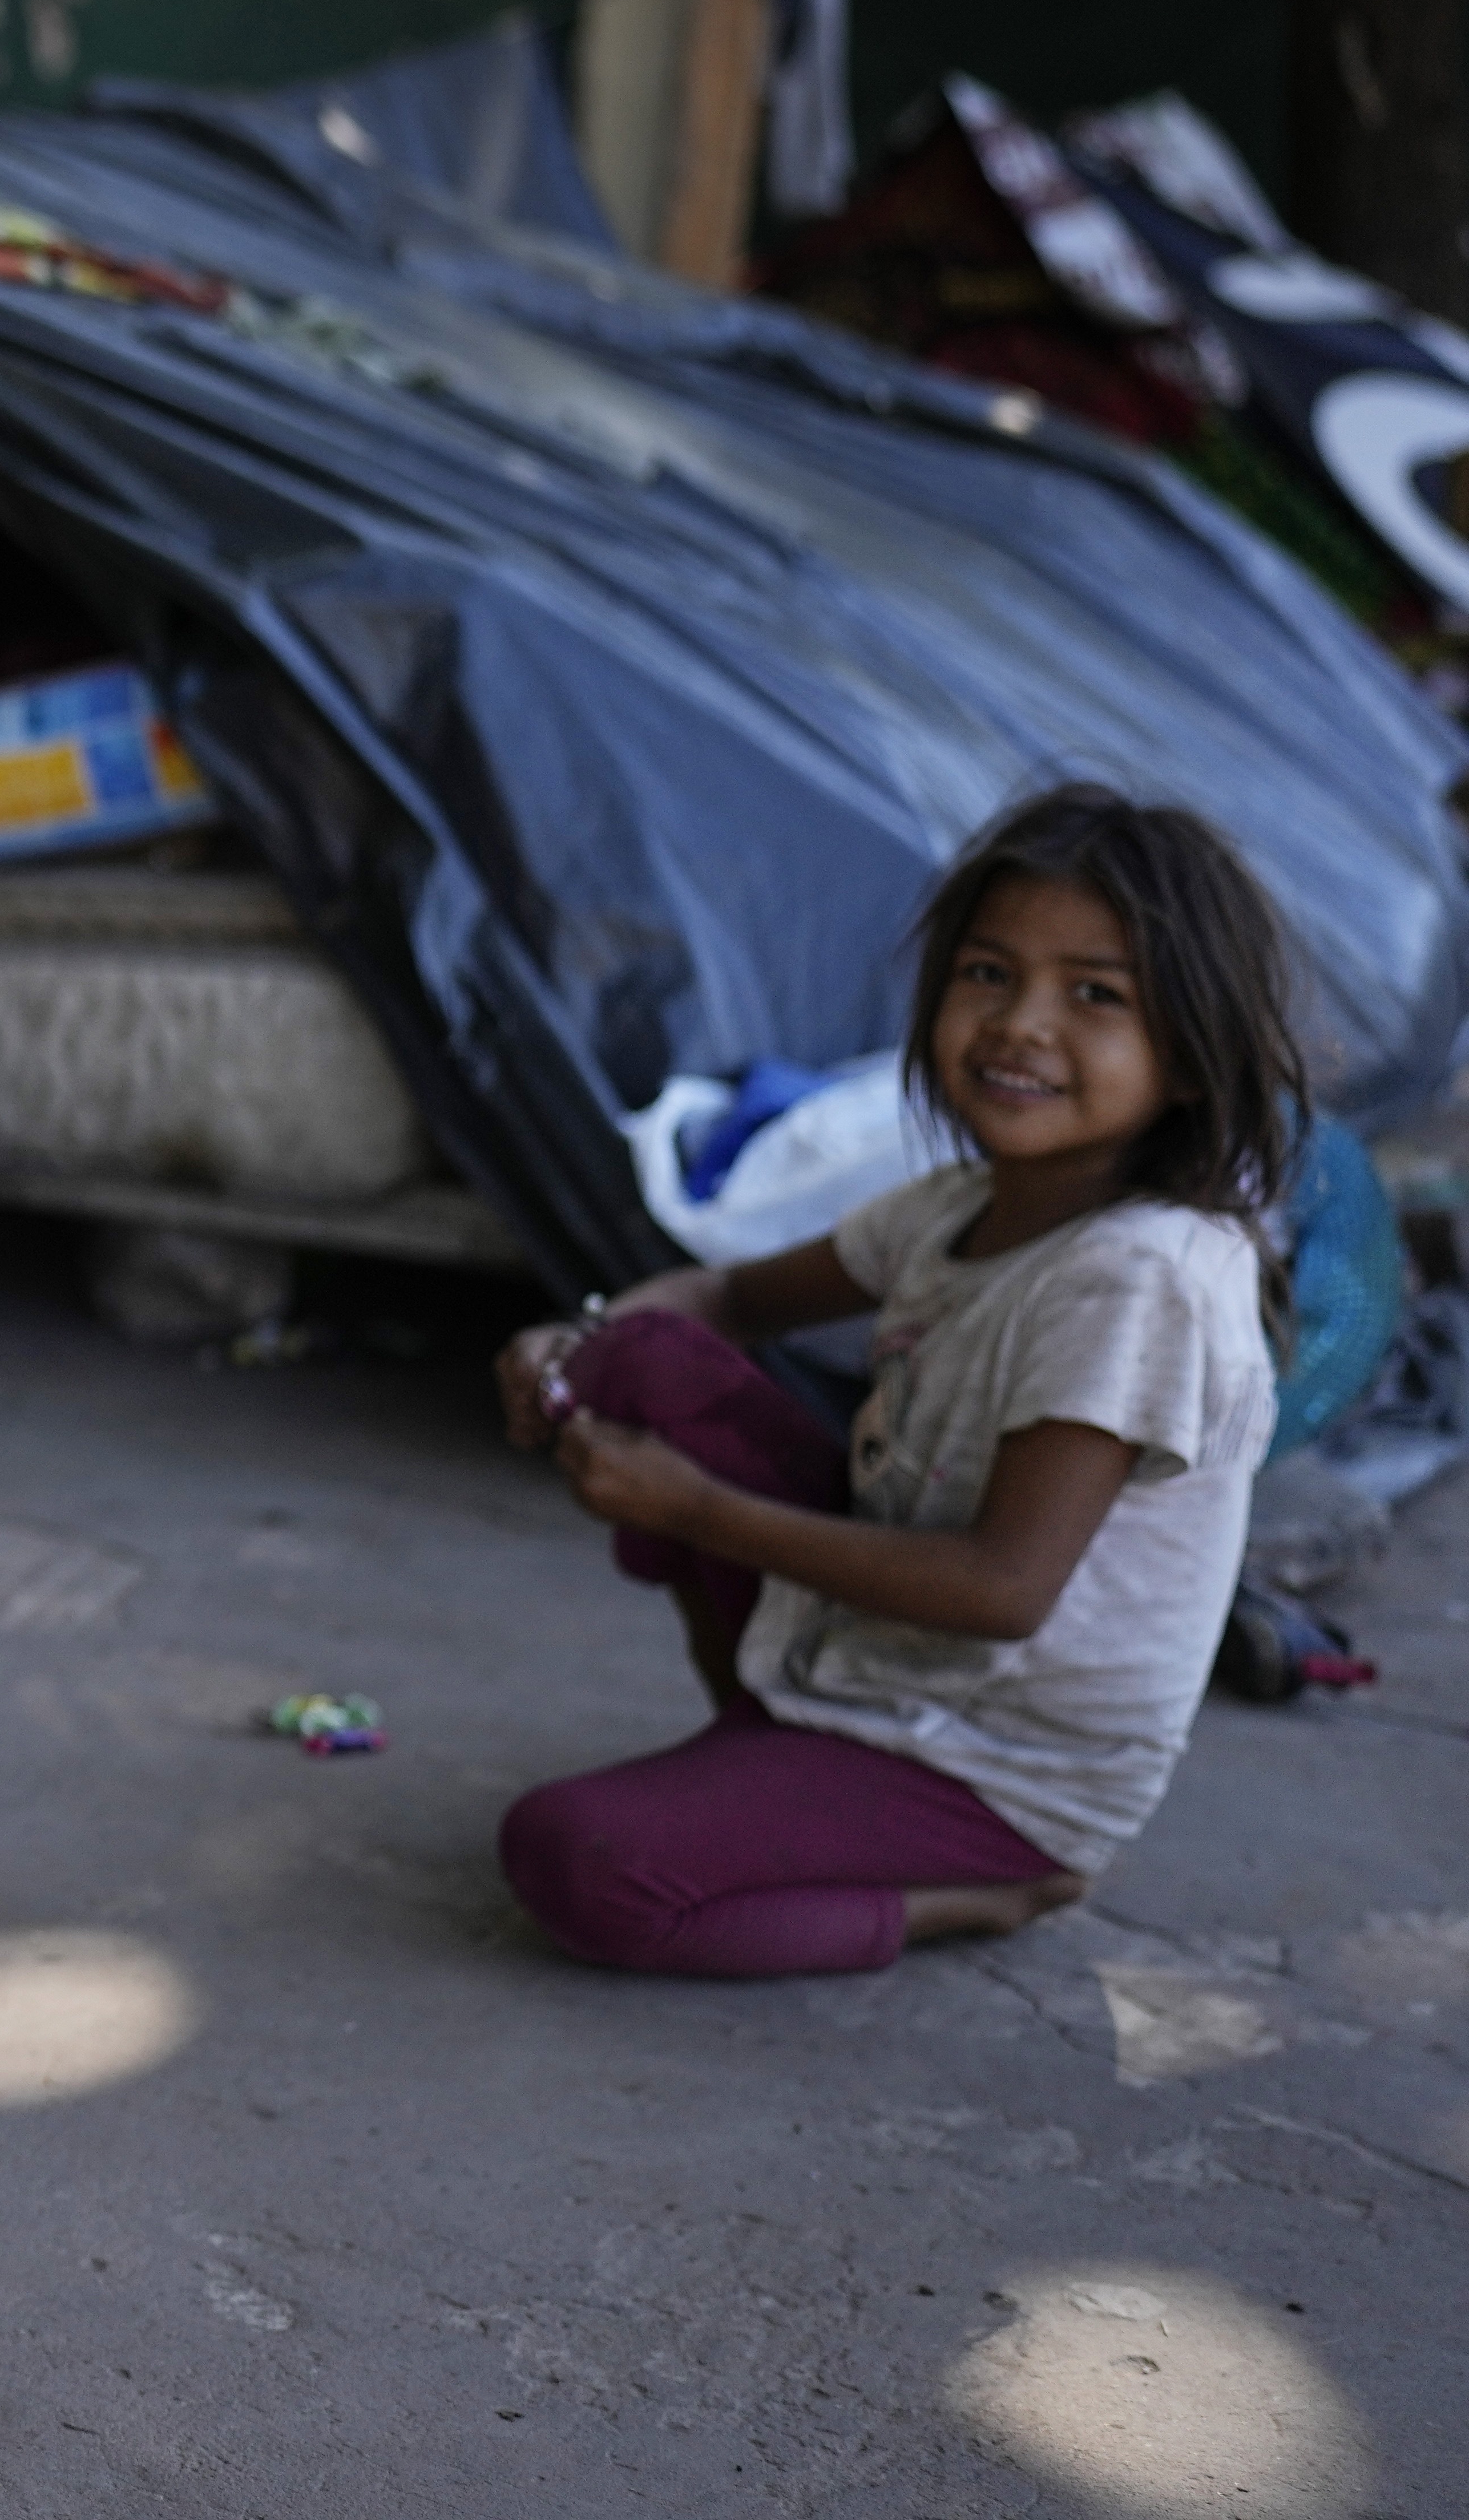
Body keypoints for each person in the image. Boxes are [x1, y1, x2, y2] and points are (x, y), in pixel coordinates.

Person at [490, 786, 1299, 1979]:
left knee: (577, 1859)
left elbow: (1005, 1590)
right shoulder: (960, 1204)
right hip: (885, 1659)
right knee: (643, 1362)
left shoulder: (1141, 1276)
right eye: (986, 974)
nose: (1020, 1025)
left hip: (1001, 1758)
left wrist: (692, 1510)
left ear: (1191, 1057)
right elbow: (721, 1299)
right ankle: (765, 1743)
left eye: (1096, 995)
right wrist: (572, 1340)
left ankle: (986, 1893)